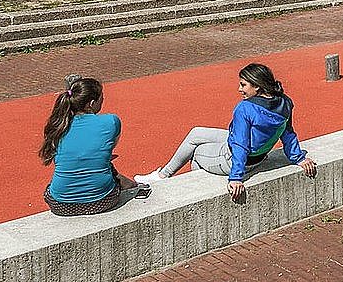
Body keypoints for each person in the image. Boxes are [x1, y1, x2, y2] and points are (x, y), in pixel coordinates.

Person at [136, 62, 318, 202]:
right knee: (196, 132)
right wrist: (298, 158)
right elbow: (287, 133)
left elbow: (240, 144)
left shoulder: (245, 108)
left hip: (236, 160)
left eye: (243, 85)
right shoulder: (285, 101)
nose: (239, 89)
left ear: (258, 87)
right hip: (259, 155)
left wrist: (236, 177)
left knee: (196, 152)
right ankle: (162, 175)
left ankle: (187, 187)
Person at [40, 75, 148, 217]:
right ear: (91, 103)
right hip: (103, 200)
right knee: (100, 160)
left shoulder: (58, 126)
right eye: (101, 99)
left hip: (60, 204)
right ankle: (126, 183)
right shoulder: (111, 121)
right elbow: (107, 151)